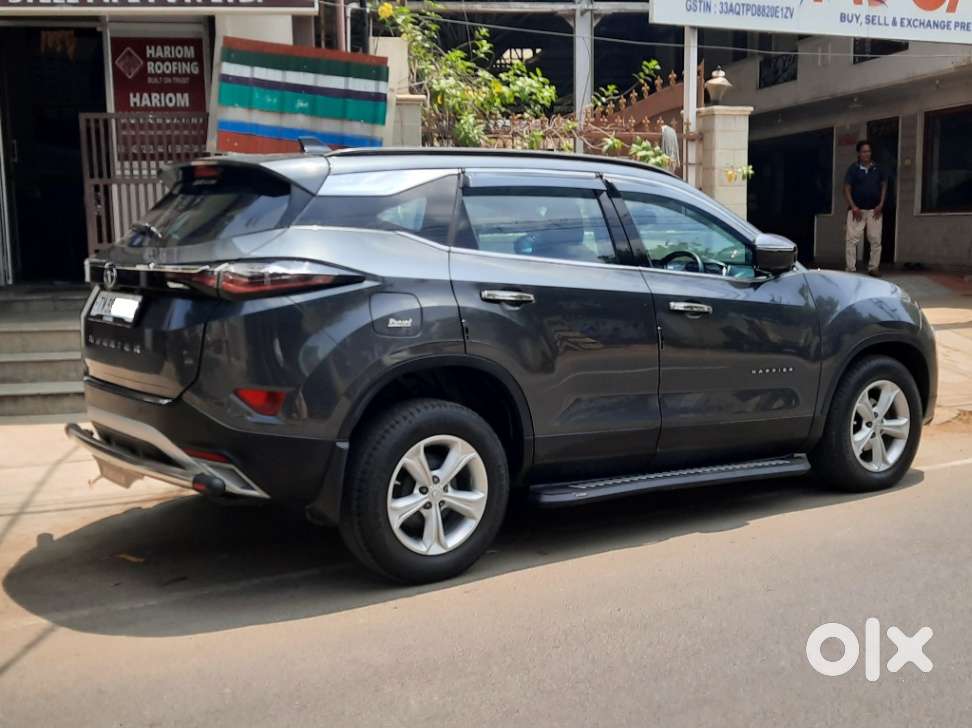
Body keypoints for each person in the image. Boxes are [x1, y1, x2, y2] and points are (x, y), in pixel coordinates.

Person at [844, 140, 887, 277]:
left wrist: (881, 204)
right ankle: (850, 269)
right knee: (851, 240)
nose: (866, 154)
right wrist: (853, 206)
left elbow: (884, 185)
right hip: (857, 210)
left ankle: (874, 268)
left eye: (868, 151)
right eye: (864, 151)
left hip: (874, 210)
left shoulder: (878, 168)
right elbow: (846, 188)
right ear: (859, 153)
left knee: (875, 240)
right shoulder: (853, 169)